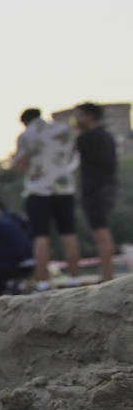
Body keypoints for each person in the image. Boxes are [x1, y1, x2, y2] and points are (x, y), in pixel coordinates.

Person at [11, 107, 79, 290]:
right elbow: (73, 156)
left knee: (41, 236)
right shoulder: (63, 129)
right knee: (69, 233)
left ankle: (42, 282)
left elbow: (20, 164)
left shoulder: (27, 135)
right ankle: (75, 278)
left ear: (24, 121)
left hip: (39, 189)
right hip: (64, 188)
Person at [73, 102, 119, 282]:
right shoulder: (107, 136)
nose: (75, 120)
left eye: (79, 115)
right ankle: (107, 273)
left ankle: (107, 276)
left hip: (95, 190)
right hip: (107, 187)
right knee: (102, 231)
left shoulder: (86, 138)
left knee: (100, 232)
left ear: (89, 116)